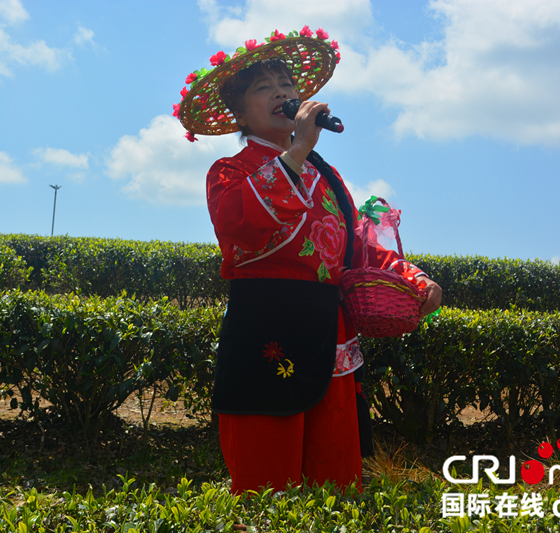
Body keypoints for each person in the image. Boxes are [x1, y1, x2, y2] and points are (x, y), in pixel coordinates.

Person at [176, 27, 442, 495]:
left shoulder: (327, 175)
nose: (282, 92)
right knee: (266, 482)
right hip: (266, 328)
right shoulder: (229, 171)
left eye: (287, 84)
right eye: (264, 87)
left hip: (330, 333)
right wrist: (298, 150)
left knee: (336, 481)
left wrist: (413, 277)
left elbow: (356, 247)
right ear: (239, 112)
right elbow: (240, 225)